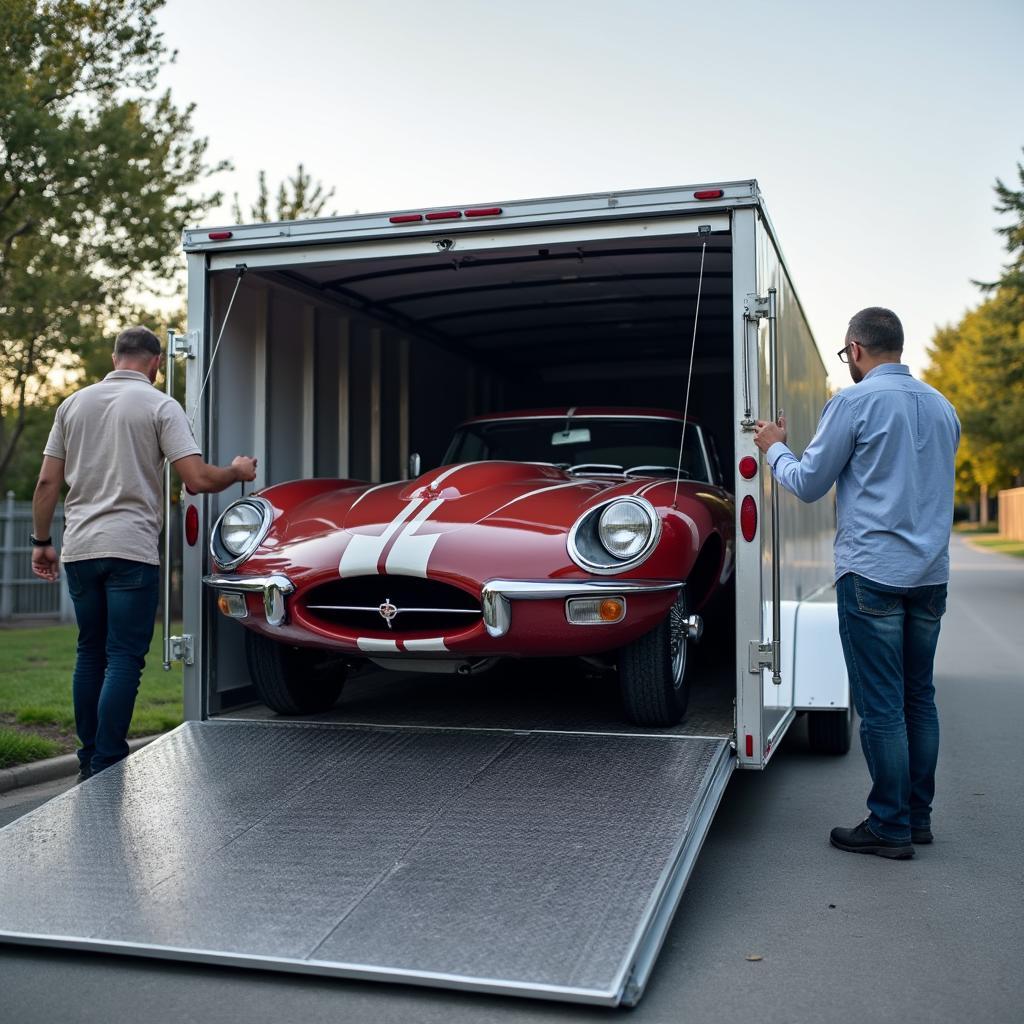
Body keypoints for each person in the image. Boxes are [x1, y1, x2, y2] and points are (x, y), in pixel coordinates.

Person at [753, 307, 960, 860]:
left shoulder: (854, 402)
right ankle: (917, 819)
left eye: (847, 356)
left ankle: (889, 826)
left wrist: (773, 445)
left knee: (883, 706)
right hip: (930, 576)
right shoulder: (943, 408)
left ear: (857, 349)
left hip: (872, 574)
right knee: (920, 697)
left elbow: (808, 483)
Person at [31, 326, 257, 780]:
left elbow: (46, 484)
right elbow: (197, 479)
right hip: (131, 549)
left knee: (89, 652)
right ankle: (109, 761)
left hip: (80, 549)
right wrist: (236, 471)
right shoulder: (160, 405)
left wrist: (41, 543)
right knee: (124, 657)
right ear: (155, 363)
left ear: (116, 357)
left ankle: (88, 759)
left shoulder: (72, 404)